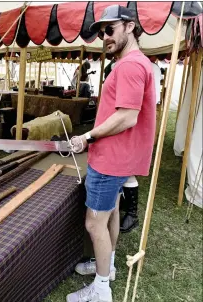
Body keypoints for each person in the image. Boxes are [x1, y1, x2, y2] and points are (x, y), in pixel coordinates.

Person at [66, 5, 156, 302]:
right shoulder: (136, 62)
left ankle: (101, 290)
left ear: (130, 27)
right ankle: (109, 266)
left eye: (110, 29)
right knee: (111, 212)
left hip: (111, 159)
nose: (105, 36)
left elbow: (127, 116)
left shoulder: (130, 65)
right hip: (119, 158)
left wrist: (88, 137)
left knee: (94, 223)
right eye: (101, 32)